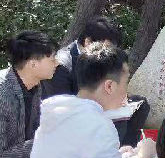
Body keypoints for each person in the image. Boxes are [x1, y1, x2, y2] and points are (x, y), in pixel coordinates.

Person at [42, 16, 150, 148]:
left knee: (140, 104)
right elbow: (62, 107)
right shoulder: (62, 65)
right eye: (106, 47)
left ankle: (127, 149)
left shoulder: (99, 58)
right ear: (88, 42)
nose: (108, 53)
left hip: (97, 103)